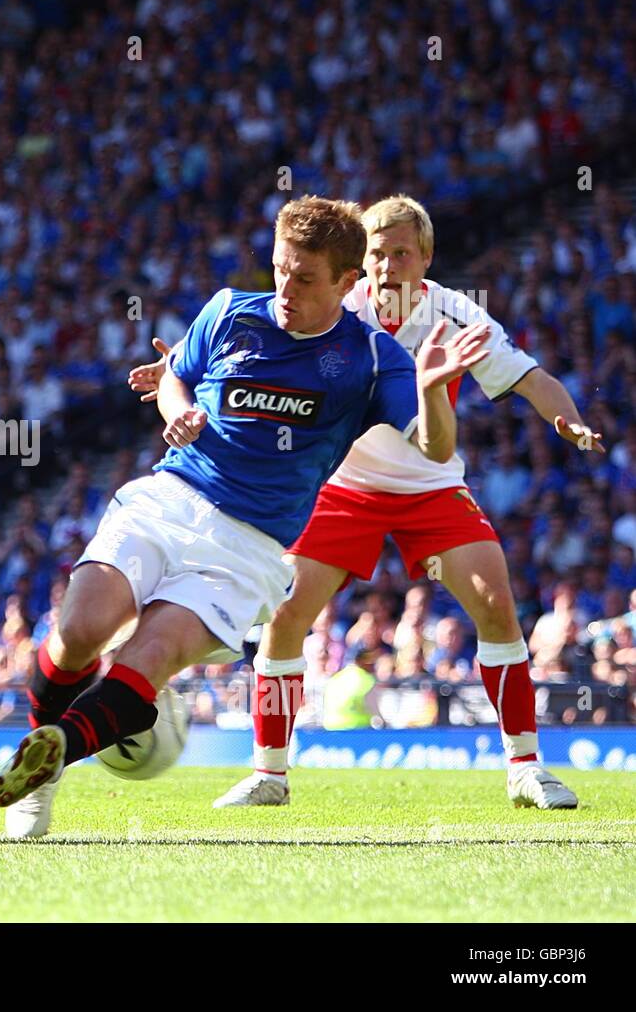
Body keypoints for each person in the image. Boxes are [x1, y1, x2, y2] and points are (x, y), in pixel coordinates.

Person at [0, 196, 490, 838]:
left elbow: (435, 446)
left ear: (346, 281)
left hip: (248, 549)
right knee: (80, 628)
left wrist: (430, 389)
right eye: (279, 268)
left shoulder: (370, 358)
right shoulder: (229, 312)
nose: (285, 288)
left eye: (305, 277)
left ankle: (49, 758)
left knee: (154, 653)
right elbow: (176, 377)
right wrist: (175, 409)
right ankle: (54, 760)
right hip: (171, 500)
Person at [136, 196, 599, 811]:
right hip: (341, 486)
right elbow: (251, 346)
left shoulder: (457, 316)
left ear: (426, 257)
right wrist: (181, 372)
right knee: (286, 615)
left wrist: (567, 420)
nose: (387, 265)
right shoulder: (336, 301)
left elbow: (533, 380)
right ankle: (269, 773)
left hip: (430, 484)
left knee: (496, 603)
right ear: (360, 264)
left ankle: (525, 768)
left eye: (401, 252)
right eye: (377, 254)